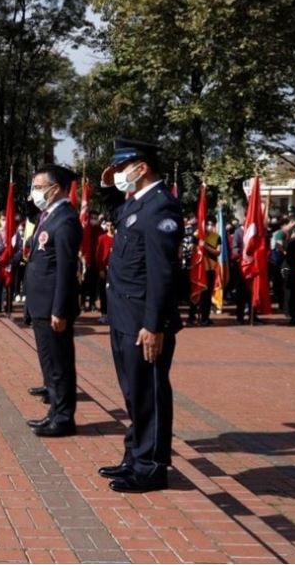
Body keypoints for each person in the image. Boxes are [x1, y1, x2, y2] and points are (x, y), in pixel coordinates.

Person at [100, 138, 184, 493]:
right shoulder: (138, 204)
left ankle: (151, 466)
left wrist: (154, 325)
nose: (118, 174)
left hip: (142, 321)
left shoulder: (160, 207)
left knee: (149, 391)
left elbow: (162, 274)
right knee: (134, 392)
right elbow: (116, 214)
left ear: (141, 166)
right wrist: (108, 185)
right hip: (124, 315)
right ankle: (135, 455)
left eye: (122, 168)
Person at [23, 165, 82, 438]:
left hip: (53, 307)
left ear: (54, 188)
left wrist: (60, 309)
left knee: (60, 365)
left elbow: (66, 269)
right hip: (40, 305)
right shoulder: (48, 216)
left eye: (38, 186)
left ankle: (64, 417)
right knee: (50, 364)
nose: (34, 192)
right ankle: (54, 412)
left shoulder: (66, 219)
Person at [95, 220, 115, 323]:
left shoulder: (118, 238)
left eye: (111, 225)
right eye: (108, 225)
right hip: (105, 270)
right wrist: (101, 269)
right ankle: (104, 313)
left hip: (115, 271)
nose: (110, 227)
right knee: (103, 293)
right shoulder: (102, 238)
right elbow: (99, 255)